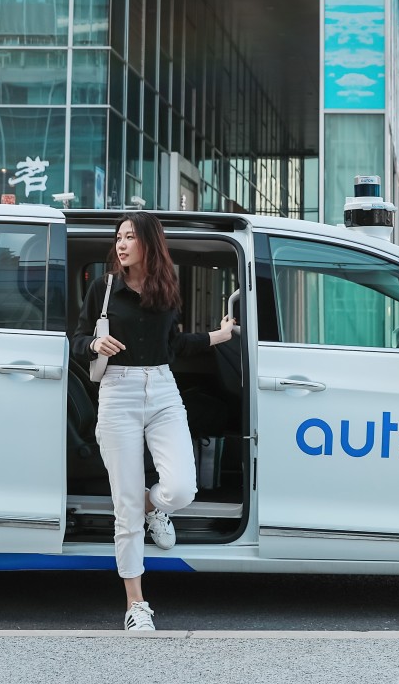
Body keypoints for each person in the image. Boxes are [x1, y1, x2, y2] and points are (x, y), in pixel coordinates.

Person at [71, 211, 235, 632]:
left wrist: (220, 335)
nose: (121, 244)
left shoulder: (166, 288)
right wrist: (94, 343)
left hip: (162, 388)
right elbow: (77, 340)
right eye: (119, 238)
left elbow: (174, 345)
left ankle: (152, 507)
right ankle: (136, 604)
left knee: (181, 488)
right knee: (124, 511)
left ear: (149, 242)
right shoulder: (104, 288)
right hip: (118, 391)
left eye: (130, 237)